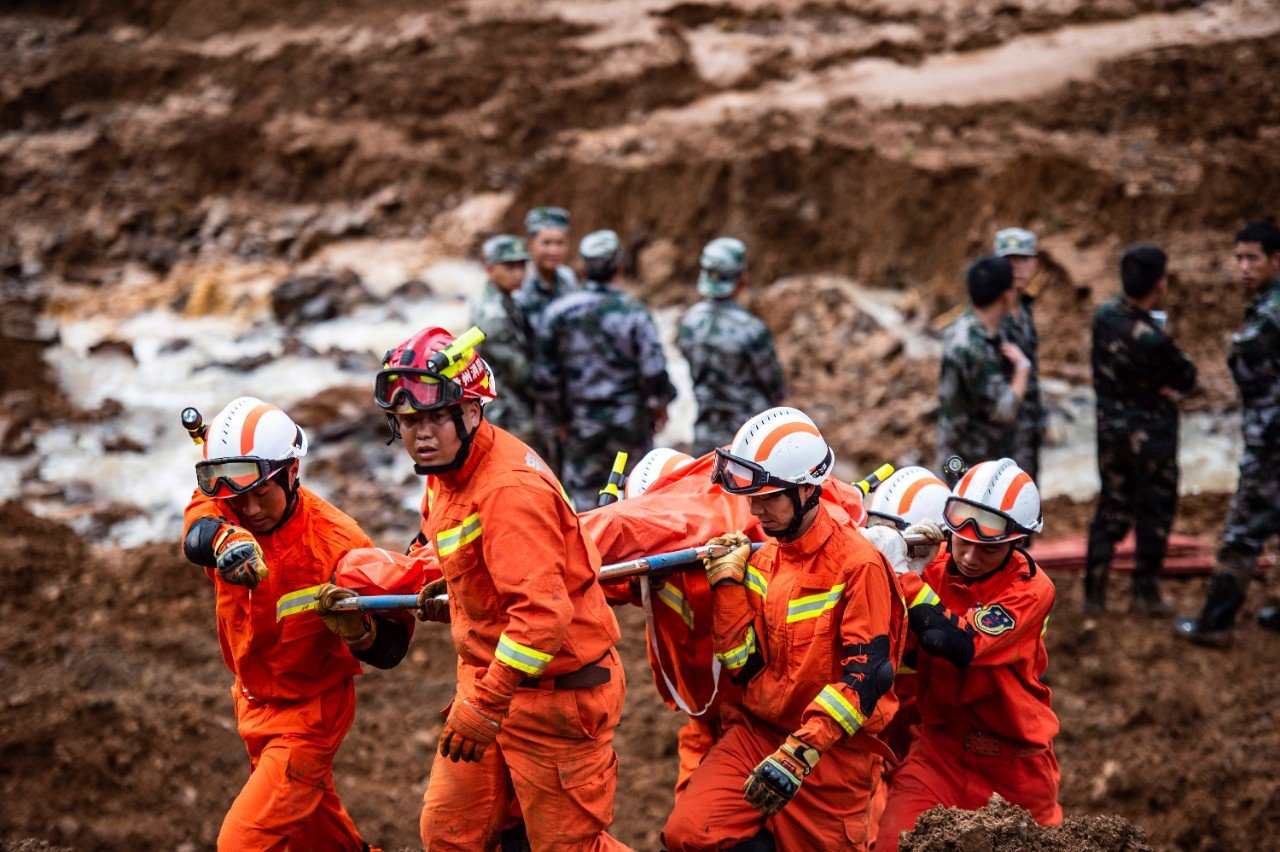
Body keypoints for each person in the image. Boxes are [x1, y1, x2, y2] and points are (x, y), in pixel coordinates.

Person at [371, 326, 628, 850]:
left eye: (432, 419)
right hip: (493, 684)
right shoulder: (442, 471)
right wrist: (453, 591)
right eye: (408, 421)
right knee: (450, 836)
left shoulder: (509, 491)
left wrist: (485, 704)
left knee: (567, 847)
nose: (420, 435)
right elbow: (462, 554)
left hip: (557, 698)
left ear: (471, 411)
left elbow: (541, 619)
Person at [663, 407, 906, 851]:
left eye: (768, 497)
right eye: (750, 496)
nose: (754, 510)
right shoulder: (764, 554)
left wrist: (799, 753)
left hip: (829, 754)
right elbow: (743, 666)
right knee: (689, 835)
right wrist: (727, 587)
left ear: (809, 490)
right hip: (757, 733)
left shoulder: (858, 565)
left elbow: (866, 679)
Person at [181, 396, 400, 851]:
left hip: (309, 715)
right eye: (239, 501)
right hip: (253, 700)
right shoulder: (227, 506)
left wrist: (362, 633)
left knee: (242, 843)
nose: (252, 510)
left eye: (262, 495)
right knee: (315, 834)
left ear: (291, 474)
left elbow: (392, 648)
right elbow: (198, 524)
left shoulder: (339, 544)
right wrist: (224, 538)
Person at [875, 459, 1061, 851]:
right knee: (893, 844)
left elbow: (955, 644)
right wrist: (890, 566)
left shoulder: (1031, 589)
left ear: (1017, 543)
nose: (972, 557)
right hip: (938, 752)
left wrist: (903, 575)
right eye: (963, 540)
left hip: (1015, 765)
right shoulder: (935, 567)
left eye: (987, 548)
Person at [1175, 221, 1280, 645]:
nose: (1242, 267)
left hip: (1272, 441)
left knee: (1241, 534)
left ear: (1276, 260)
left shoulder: (1269, 313)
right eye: (1238, 257)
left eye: (1252, 258)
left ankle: (1214, 624)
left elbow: (1246, 369)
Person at [1086, 244, 1197, 618]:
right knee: (1154, 513)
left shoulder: (1103, 317)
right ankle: (1144, 594)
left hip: (1110, 435)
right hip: (1153, 441)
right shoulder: (1154, 338)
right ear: (1160, 284)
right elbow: (1187, 377)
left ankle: (1094, 595)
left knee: (1110, 511)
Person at [538, 229, 676, 510]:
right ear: (618, 266)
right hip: (630, 425)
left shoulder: (556, 314)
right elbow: (654, 369)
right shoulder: (634, 313)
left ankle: (592, 552)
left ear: (583, 268)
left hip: (580, 424)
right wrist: (659, 404)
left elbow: (545, 376)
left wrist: (559, 421)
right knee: (636, 496)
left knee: (587, 502)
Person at [677, 237, 786, 455]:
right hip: (749, 439)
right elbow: (775, 389)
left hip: (706, 435)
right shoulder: (751, 330)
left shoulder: (688, 322)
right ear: (742, 280)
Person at [936, 255, 1033, 471]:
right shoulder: (973, 347)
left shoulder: (964, 326)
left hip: (963, 452)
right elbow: (1003, 411)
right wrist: (1022, 370)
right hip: (971, 463)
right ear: (1006, 297)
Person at [470, 234, 549, 460]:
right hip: (507, 412)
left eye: (522, 265)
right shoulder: (492, 314)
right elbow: (522, 373)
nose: (518, 273)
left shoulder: (507, 299)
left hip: (514, 405)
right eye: (509, 266)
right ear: (489, 268)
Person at [994, 228, 1046, 480]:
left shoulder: (1025, 311)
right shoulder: (989, 316)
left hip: (1027, 432)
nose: (1016, 267)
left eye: (1023, 259)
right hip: (997, 441)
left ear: (1034, 263)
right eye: (1008, 260)